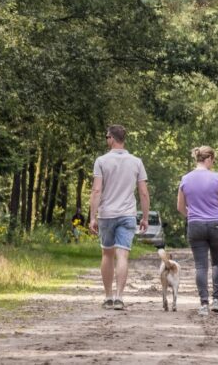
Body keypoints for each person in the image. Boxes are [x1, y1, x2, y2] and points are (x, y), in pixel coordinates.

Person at [89, 124, 150, 310]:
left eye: (107, 137)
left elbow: (97, 190)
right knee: (122, 255)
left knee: (107, 254)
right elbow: (143, 192)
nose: (106, 140)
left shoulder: (101, 161)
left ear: (112, 139)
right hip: (127, 213)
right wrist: (145, 217)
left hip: (107, 214)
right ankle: (119, 297)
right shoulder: (136, 161)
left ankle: (108, 297)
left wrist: (92, 216)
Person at [177, 145, 218, 316]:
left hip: (195, 225)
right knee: (217, 263)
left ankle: (203, 304)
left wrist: (193, 215)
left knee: (200, 266)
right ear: (208, 159)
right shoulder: (217, 178)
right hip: (217, 224)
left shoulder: (185, 179)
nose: (213, 164)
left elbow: (180, 207)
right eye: (213, 160)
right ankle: (216, 300)